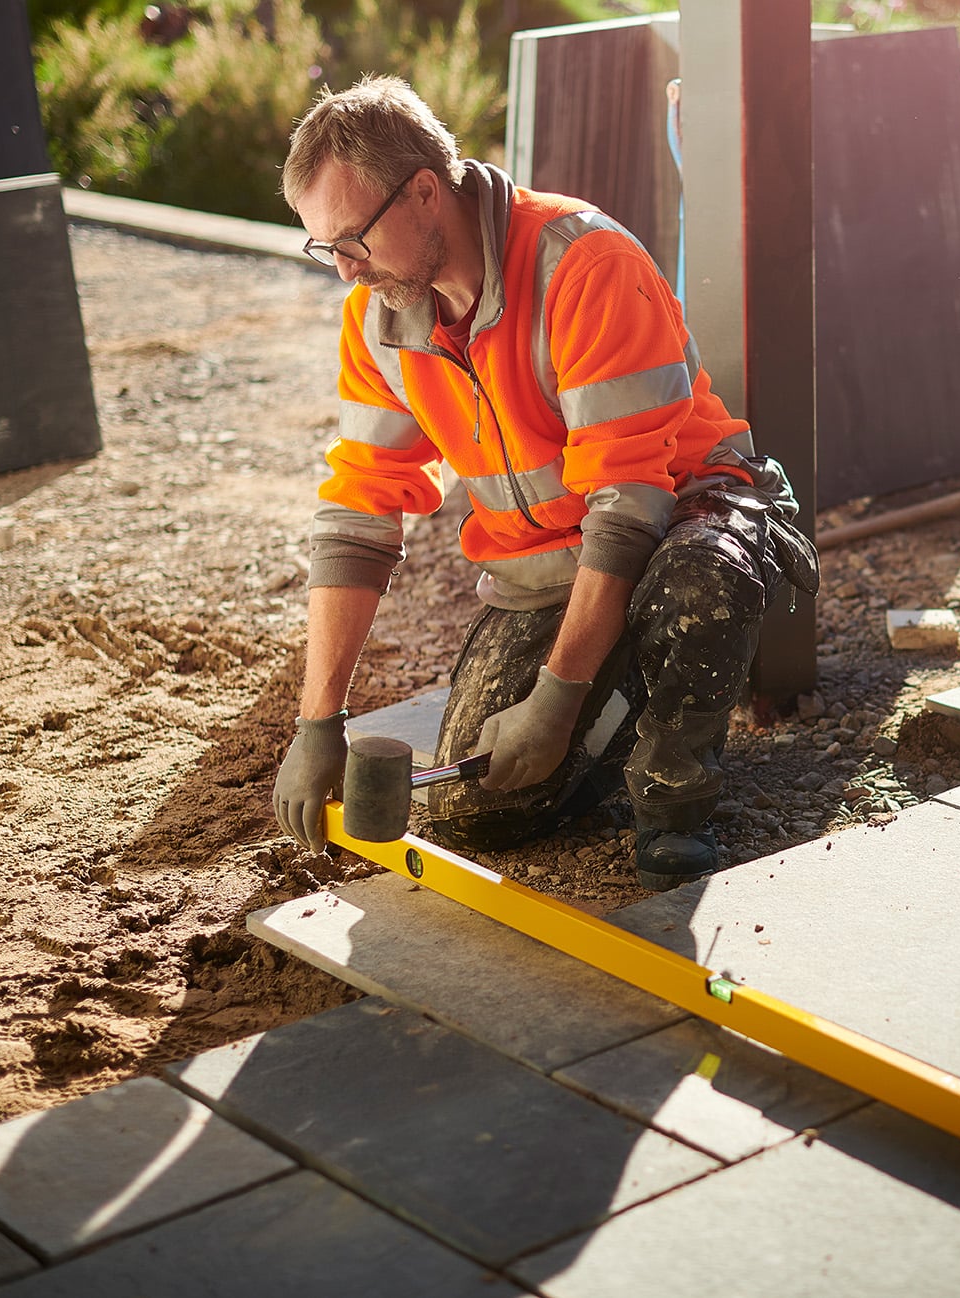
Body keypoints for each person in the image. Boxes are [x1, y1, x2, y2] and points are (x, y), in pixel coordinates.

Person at [269, 75, 816, 890]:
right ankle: (630, 676)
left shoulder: (582, 264)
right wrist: (320, 720)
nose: (347, 272)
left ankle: (674, 797)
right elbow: (358, 512)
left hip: (682, 515)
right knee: (483, 809)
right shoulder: (379, 319)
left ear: (425, 191)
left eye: (354, 240)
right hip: (551, 564)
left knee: (698, 582)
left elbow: (630, 508)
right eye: (326, 249)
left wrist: (559, 700)